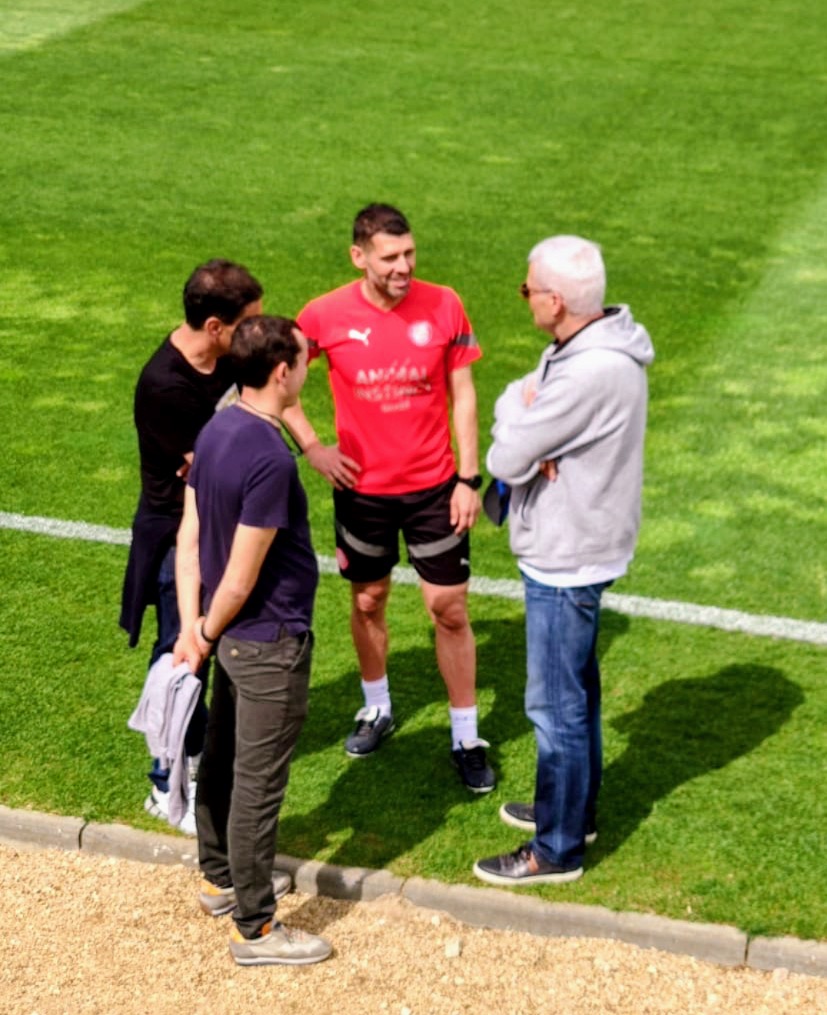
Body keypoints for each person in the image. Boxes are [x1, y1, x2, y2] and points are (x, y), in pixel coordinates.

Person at [283, 203, 495, 793]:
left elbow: (463, 392)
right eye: (390, 257)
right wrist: (313, 448)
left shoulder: (444, 304)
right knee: (369, 599)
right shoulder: (323, 315)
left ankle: (466, 736)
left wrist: (468, 478)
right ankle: (376, 706)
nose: (404, 266)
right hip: (362, 492)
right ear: (359, 257)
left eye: (410, 254)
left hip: (435, 489)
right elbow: (279, 379)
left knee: (449, 608)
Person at [473, 235, 654, 886]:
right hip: (583, 543)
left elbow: (503, 456)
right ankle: (572, 811)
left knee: (555, 707)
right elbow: (514, 399)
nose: (524, 298)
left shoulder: (585, 371)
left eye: (527, 289)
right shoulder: (588, 347)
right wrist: (523, 423)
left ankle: (555, 848)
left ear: (554, 300)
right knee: (576, 692)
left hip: (566, 554)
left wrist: (524, 430)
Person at [173, 314, 332, 966]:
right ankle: (256, 928)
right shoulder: (269, 457)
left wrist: (193, 627)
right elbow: (240, 576)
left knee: (220, 761)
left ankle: (219, 879)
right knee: (257, 786)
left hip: (232, 639)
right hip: (267, 642)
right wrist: (205, 631)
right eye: (305, 359)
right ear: (281, 372)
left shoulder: (217, 428)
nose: (309, 367)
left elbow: (188, 539)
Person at [120, 259, 263, 832]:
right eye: (247, 323)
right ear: (214, 327)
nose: (254, 333)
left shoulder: (226, 356)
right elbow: (217, 469)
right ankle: (165, 781)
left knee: (207, 651)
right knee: (182, 653)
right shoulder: (165, 385)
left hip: (211, 526)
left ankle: (197, 756)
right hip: (175, 538)